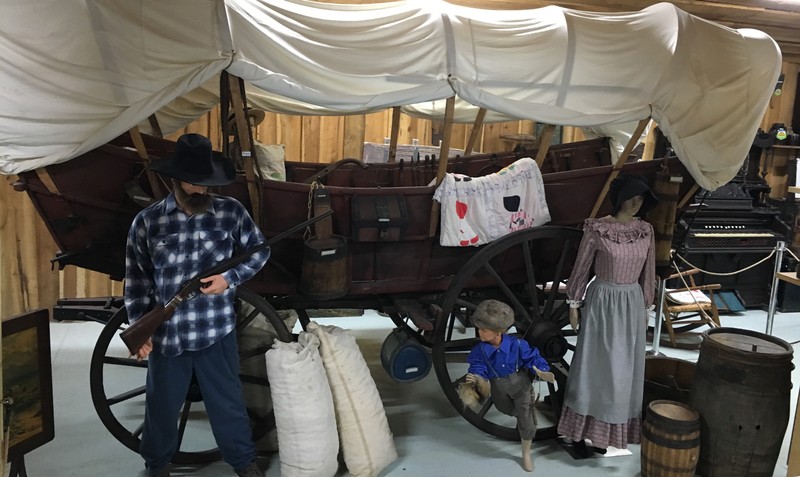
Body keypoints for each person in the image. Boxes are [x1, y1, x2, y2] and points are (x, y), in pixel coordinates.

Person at [125, 133, 269, 477]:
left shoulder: (231, 213)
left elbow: (260, 251)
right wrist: (139, 330)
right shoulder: (147, 221)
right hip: (167, 336)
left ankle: (244, 464)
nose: (200, 190)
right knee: (160, 409)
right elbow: (137, 281)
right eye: (193, 183)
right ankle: (157, 466)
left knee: (229, 405)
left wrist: (229, 279)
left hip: (215, 330)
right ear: (175, 180)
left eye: (206, 183)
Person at [556, 173, 658, 456]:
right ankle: (580, 430)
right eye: (632, 197)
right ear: (619, 199)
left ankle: (607, 433)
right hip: (603, 301)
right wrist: (574, 303)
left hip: (631, 303)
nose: (636, 204)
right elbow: (582, 266)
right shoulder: (598, 229)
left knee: (624, 371)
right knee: (594, 366)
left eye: (641, 198)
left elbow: (649, 272)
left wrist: (647, 305)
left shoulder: (646, 231)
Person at [457, 299, 555, 472]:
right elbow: (478, 366)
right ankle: (522, 416)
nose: (479, 332)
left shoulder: (516, 345)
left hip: (520, 384)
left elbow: (531, 356)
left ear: (497, 332)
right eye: (479, 328)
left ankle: (526, 452)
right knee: (506, 409)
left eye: (484, 330)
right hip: (498, 387)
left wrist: (541, 369)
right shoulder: (480, 351)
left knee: (526, 417)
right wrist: (476, 379)